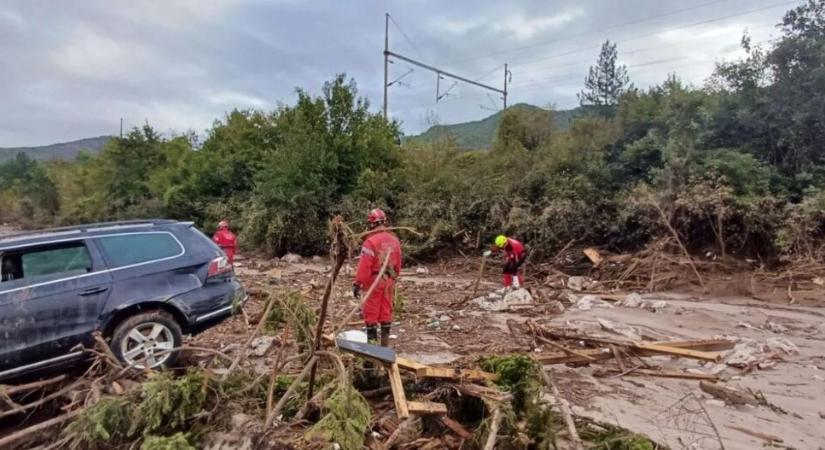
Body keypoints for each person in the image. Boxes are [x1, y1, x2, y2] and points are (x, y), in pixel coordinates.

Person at [353, 208, 402, 347]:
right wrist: (393, 278)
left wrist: (358, 283)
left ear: (372, 223)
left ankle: (372, 351)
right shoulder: (395, 240)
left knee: (371, 314)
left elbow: (364, 266)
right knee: (386, 311)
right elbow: (398, 265)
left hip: (374, 281)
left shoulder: (370, 242)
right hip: (389, 280)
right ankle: (385, 347)